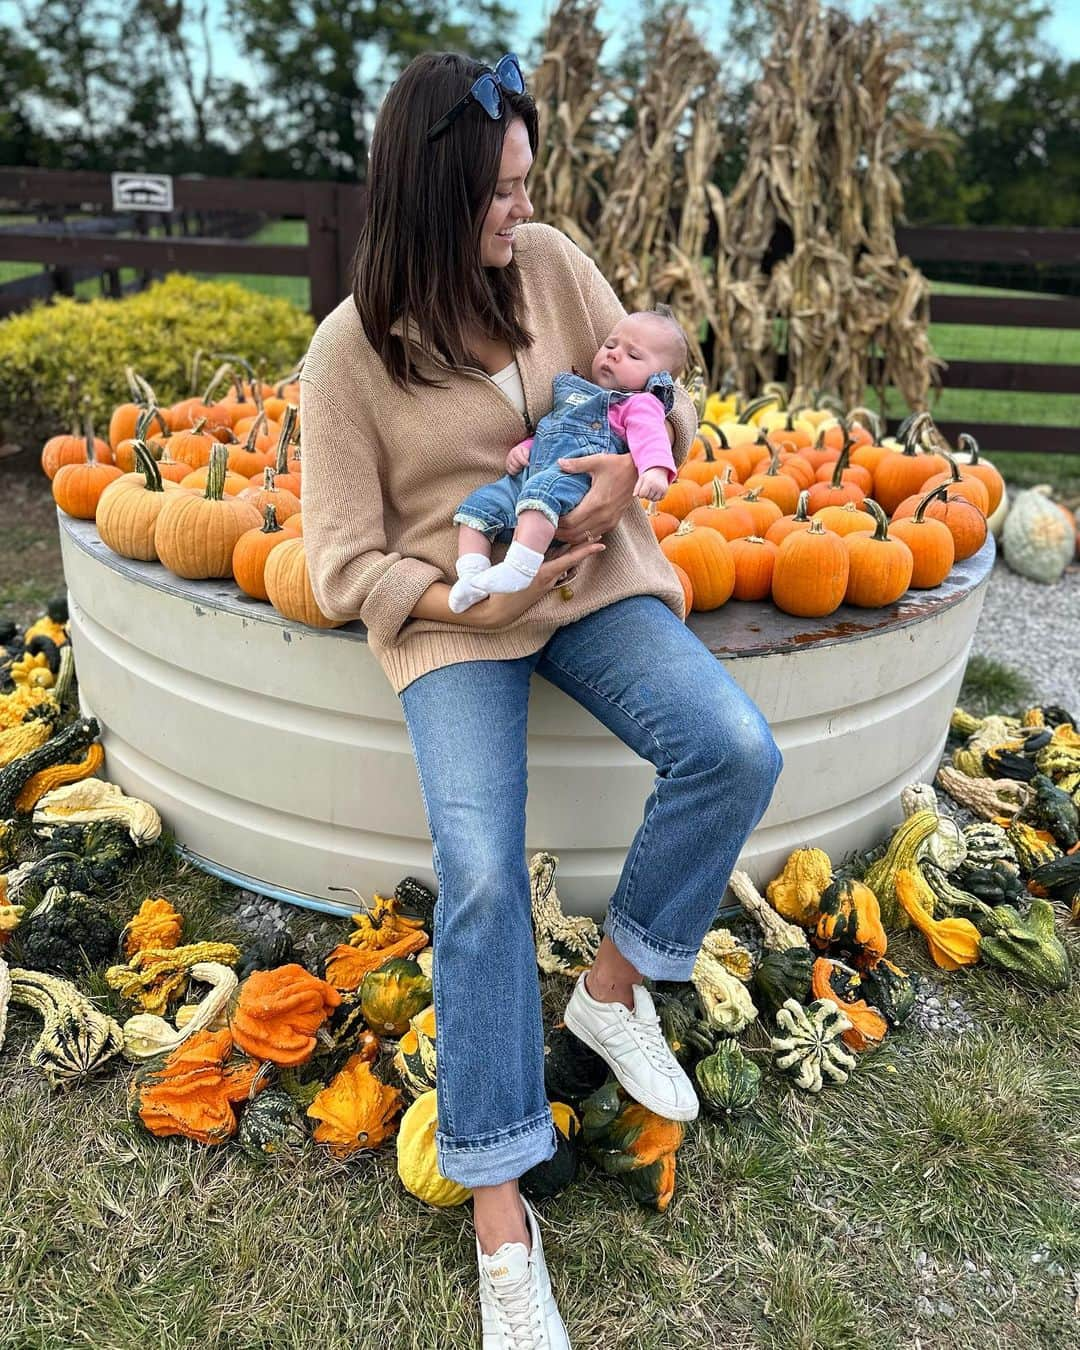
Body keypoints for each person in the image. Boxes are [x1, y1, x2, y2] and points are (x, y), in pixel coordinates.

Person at [299, 49, 783, 1350]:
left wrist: (627, 487)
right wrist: (475, 602)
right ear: (435, 190)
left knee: (735, 747)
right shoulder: (347, 354)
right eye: (501, 192)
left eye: (528, 183)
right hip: (461, 619)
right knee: (481, 872)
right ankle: (502, 1216)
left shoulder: (558, 267)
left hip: (592, 585)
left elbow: (646, 403)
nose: (524, 211)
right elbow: (341, 562)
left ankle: (615, 987)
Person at [447, 309, 687, 613]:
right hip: (533, 473)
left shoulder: (637, 404)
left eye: (633, 356)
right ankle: (472, 577)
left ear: (657, 379)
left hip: (574, 477)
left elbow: (650, 437)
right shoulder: (577, 391)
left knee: (540, 497)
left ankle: (519, 569)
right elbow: (554, 428)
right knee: (478, 506)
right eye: (611, 345)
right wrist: (527, 447)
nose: (614, 355)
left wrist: (653, 470)